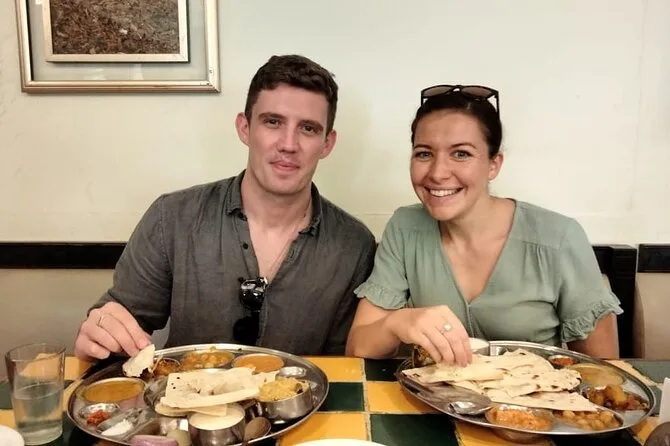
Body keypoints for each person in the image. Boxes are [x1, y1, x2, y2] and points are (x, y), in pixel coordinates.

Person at [74, 55, 377, 362]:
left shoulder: (354, 245)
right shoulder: (173, 218)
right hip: (184, 391)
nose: (288, 144)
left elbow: (345, 368)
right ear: (244, 128)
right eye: (273, 122)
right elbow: (119, 325)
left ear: (327, 144)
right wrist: (101, 338)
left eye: (308, 128)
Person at [345, 84, 623, 366]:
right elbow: (358, 349)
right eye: (424, 154)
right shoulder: (405, 228)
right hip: (429, 392)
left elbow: (604, 371)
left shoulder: (558, 238)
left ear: (494, 164)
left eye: (461, 154)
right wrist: (397, 322)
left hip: (535, 394)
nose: (438, 173)